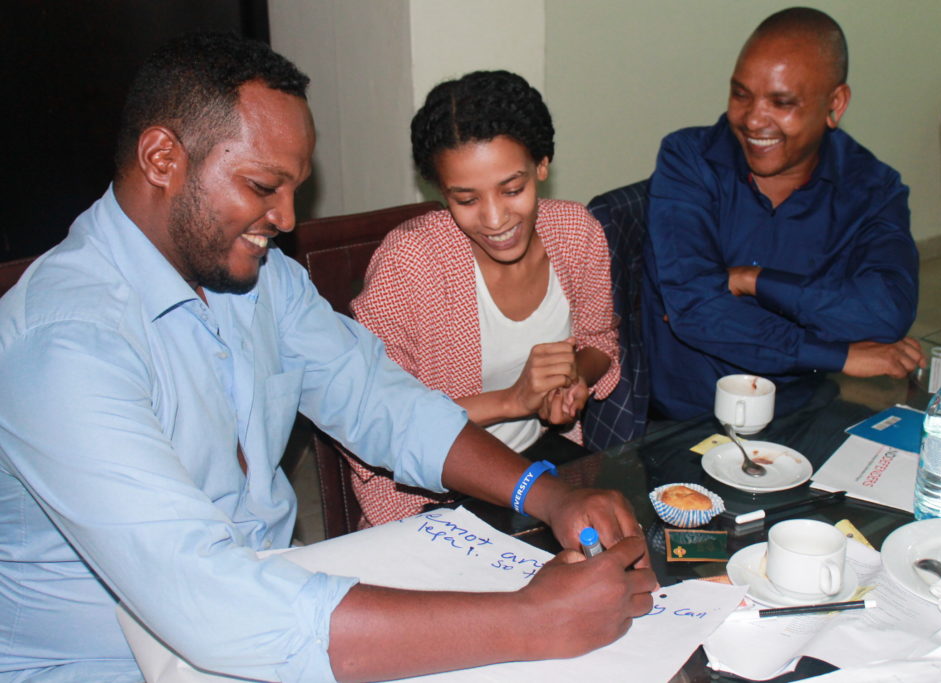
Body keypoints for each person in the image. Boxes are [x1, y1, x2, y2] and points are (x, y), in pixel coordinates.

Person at [0, 34, 654, 683]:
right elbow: (203, 595)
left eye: (294, 189)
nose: (286, 217)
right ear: (163, 157)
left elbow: (382, 401)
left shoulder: (262, 281)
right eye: (263, 185)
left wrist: (546, 496)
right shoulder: (65, 345)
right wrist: (530, 622)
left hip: (275, 601)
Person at [350, 70, 620, 526]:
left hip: (545, 465)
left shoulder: (577, 234)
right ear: (440, 192)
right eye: (466, 199)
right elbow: (377, 421)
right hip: (432, 493)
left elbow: (600, 339)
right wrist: (513, 400)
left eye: (513, 189)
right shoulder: (409, 265)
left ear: (542, 166)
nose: (495, 219)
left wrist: (572, 377)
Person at [642, 7, 926, 421]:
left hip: (808, 411)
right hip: (683, 424)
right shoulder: (689, 161)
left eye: (782, 102)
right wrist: (839, 354)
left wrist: (753, 281)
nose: (754, 119)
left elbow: (886, 313)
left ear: (836, 104)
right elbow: (698, 310)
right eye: (741, 94)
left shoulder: (870, 188)